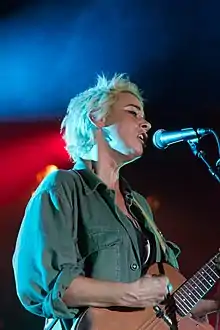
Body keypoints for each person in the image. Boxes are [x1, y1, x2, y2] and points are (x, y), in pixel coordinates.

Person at [12, 74, 219, 329]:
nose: (147, 125)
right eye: (134, 113)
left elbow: (157, 301)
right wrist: (130, 293)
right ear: (97, 118)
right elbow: (49, 286)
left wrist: (189, 307)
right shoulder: (63, 187)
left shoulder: (140, 206)